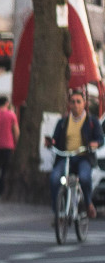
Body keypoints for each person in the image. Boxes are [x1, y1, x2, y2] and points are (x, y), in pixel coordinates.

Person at [45, 89, 103, 218]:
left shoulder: (92, 121)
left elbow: (100, 139)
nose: (75, 105)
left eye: (78, 102)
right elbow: (56, 139)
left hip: (83, 158)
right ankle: (57, 212)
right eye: (73, 102)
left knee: (84, 178)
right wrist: (51, 142)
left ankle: (88, 203)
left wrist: (95, 144)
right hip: (65, 158)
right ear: (69, 104)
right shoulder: (63, 122)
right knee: (54, 178)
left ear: (84, 104)